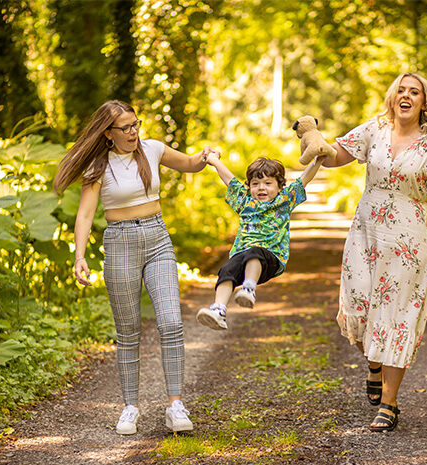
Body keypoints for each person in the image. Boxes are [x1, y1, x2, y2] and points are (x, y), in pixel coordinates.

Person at [322, 73, 427, 432]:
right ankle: (373, 364)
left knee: (398, 314)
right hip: (366, 233)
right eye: (401, 89)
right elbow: (333, 156)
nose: (406, 95)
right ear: (392, 97)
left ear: (423, 103)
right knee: (358, 306)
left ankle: (389, 403)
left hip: (409, 240)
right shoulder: (373, 131)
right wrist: (312, 140)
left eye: (414, 92)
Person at [53, 100, 216, 435]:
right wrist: (79, 256)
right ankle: (130, 407)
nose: (133, 132)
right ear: (108, 134)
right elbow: (85, 214)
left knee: (171, 321)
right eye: (125, 128)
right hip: (119, 243)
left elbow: (188, 163)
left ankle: (175, 405)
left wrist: (205, 157)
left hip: (158, 239)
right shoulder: (98, 167)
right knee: (128, 330)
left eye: (135, 124)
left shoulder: (153, 150)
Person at [196, 153, 322, 330]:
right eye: (255, 184)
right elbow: (229, 179)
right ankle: (219, 311)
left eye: (268, 183)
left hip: (271, 259)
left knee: (255, 251)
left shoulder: (284, 200)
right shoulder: (244, 201)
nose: (261, 188)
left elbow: (304, 179)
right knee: (226, 269)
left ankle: (248, 289)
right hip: (242, 256)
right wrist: (214, 160)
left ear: (280, 186)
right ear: (249, 187)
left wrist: (319, 159)